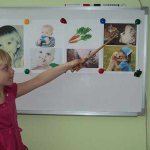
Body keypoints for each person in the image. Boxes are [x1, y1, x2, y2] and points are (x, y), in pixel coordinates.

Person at [0, 49, 83, 150]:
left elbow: (39, 80)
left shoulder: (10, 92)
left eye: (10, 66)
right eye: (5, 68)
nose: (12, 70)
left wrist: (69, 65)